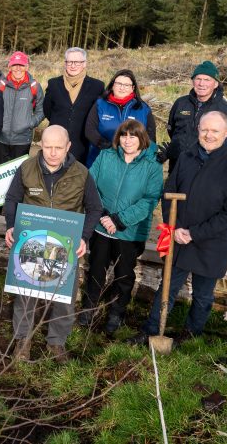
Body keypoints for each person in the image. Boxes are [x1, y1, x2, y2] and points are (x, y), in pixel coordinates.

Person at [137, 111, 227, 343]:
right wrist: (175, 227)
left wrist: (194, 233)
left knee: (202, 296)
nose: (208, 135)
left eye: (215, 131)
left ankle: (190, 336)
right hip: (178, 237)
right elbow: (169, 193)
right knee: (166, 289)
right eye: (204, 130)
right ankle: (151, 331)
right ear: (198, 130)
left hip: (210, 243)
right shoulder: (186, 158)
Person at [3, 125, 103, 362]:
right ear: (41, 145)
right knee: (26, 293)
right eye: (48, 147)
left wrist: (84, 236)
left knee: (63, 297)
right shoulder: (26, 168)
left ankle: (56, 342)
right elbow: (12, 199)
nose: (53, 152)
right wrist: (11, 225)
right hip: (33, 242)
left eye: (58, 147)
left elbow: (95, 208)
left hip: (64, 245)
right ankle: (23, 341)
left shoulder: (81, 173)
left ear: (68, 147)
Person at [82, 119, 162, 334]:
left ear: (141, 138)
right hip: (101, 226)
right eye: (124, 136)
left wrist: (119, 220)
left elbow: (150, 199)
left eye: (133, 136)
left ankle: (116, 311)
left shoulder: (152, 167)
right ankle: (89, 307)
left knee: (124, 275)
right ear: (118, 138)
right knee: (96, 268)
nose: (128, 140)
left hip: (129, 231)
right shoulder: (106, 156)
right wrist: (104, 215)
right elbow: (90, 184)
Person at [162, 61, 227, 172]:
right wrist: (176, 149)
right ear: (193, 81)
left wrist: (215, 158)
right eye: (198, 79)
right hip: (178, 165)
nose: (201, 84)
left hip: (208, 170)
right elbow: (172, 130)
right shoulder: (180, 103)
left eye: (207, 80)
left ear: (215, 84)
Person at [43, 47, 105, 168]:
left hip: (82, 143)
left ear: (84, 63)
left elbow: (98, 114)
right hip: (56, 142)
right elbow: (47, 110)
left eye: (77, 62)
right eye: (69, 62)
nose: (73, 65)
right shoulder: (54, 84)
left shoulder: (97, 86)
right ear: (65, 63)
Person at [84, 69, 157, 167]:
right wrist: (107, 147)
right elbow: (90, 130)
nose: (122, 88)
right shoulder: (100, 104)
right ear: (113, 85)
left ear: (133, 88)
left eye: (126, 85)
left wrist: (149, 156)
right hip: (101, 159)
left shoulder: (143, 108)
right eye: (118, 84)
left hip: (133, 163)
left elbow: (150, 136)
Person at [0, 51, 44, 165]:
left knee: (20, 174)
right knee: (0, 174)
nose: (17, 68)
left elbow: (41, 110)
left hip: (22, 140)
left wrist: (29, 123)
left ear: (27, 66)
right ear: (9, 66)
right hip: (0, 138)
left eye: (21, 65)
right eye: (14, 65)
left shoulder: (34, 86)